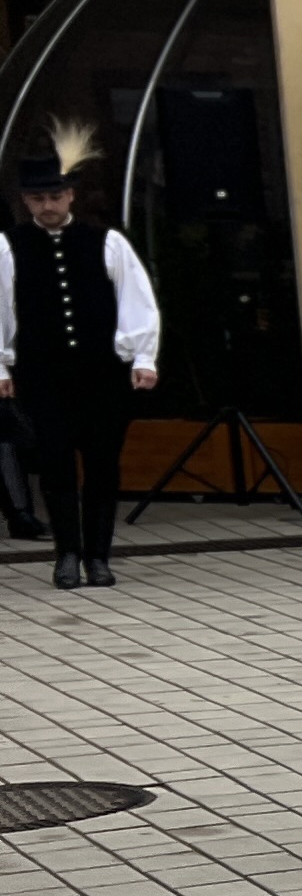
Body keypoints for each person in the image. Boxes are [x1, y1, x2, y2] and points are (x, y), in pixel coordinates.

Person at [1, 126, 158, 589]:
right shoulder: (9, 247)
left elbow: (136, 300)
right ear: (26, 201)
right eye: (37, 199)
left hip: (101, 373)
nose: (47, 206)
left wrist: (143, 357)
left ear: (70, 195)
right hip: (42, 373)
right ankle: (66, 554)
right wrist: (2, 364)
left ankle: (99, 556)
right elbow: (1, 309)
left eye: (54, 196)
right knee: (55, 464)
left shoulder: (106, 242)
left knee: (103, 463)